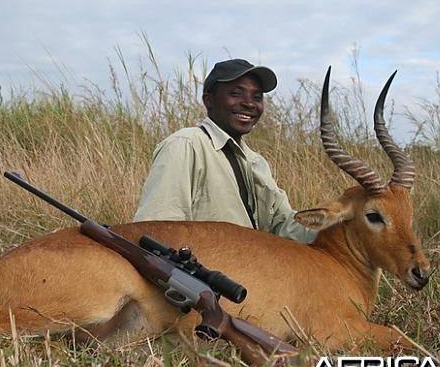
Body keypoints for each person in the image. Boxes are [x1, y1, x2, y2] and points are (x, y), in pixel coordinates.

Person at [133, 58, 316, 244]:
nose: (249, 104)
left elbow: (283, 226)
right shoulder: (186, 144)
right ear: (208, 100)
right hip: (201, 269)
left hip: (251, 268)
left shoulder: (256, 162)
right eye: (236, 93)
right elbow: (156, 232)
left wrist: (339, 221)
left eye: (257, 97)